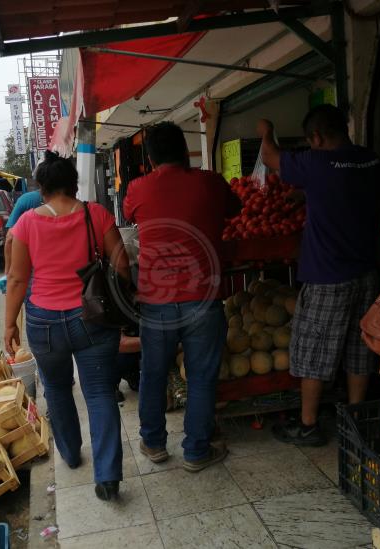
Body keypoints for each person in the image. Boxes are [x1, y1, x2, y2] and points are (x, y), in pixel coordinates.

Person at [4, 150, 130, 502]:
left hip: (43, 321)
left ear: (41, 188)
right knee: (100, 393)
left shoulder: (26, 223)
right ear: (74, 184)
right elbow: (122, 266)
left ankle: (71, 454)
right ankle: (107, 477)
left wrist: (9, 324)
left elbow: (16, 279)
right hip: (90, 317)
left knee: (57, 388)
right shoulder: (97, 214)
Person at [257, 105, 380, 447]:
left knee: (312, 351)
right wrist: (308, 194)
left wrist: (267, 129)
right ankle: (356, 419)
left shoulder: (316, 163)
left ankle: (308, 424)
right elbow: (345, 192)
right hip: (367, 272)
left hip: (329, 276)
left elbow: (269, 156)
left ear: (316, 137)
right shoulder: (370, 160)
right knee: (360, 348)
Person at [124, 121, 241, 473]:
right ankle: (196, 450)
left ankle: (155, 443)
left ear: (150, 157)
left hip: (157, 301)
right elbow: (234, 208)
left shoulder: (137, 188)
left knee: (153, 372)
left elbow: (130, 216)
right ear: (186, 150)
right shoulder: (210, 182)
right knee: (202, 376)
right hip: (204, 299)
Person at [4, 189, 42, 276]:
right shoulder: (73, 203)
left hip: (31, 264)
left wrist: (7, 271)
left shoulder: (27, 198)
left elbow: (10, 238)